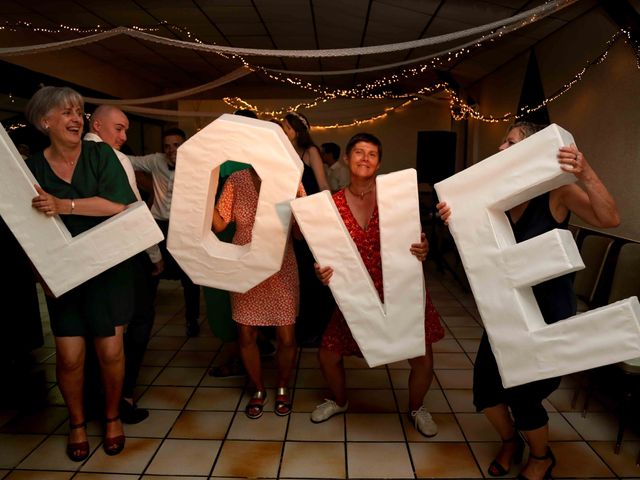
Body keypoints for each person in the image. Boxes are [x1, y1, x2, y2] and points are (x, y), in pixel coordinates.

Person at [437, 121, 620, 480]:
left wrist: (586, 172)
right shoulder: (491, 200)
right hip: (505, 312)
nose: (501, 147)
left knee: (524, 394)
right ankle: (510, 441)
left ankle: (541, 456)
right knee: (487, 393)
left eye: (510, 141)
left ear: (530, 152)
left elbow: (610, 218)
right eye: (502, 141)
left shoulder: (557, 193)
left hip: (549, 311)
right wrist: (454, 220)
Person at [25, 86, 135, 460]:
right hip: (64, 273)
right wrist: (40, 272)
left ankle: (112, 416)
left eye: (79, 112)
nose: (76, 119)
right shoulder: (32, 168)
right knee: (70, 356)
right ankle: (75, 422)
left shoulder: (100, 153)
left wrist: (63, 204)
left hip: (108, 268)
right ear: (45, 122)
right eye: (66, 112)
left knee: (110, 350)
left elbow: (117, 203)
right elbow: (23, 225)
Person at [311, 132, 445, 437]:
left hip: (400, 288)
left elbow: (415, 238)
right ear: (347, 158)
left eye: (372, 154)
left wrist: (423, 248)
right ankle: (340, 400)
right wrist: (321, 270)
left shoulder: (395, 199)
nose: (365, 158)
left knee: (422, 358)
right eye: (358, 152)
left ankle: (416, 408)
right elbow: (323, 249)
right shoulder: (331, 205)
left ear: (379, 162)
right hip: (356, 293)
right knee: (327, 355)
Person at [85, 105, 164, 424]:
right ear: (97, 124)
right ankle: (122, 397)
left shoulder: (74, 155)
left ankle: (94, 399)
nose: (124, 136)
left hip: (88, 256)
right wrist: (155, 255)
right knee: (138, 320)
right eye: (118, 128)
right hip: (122, 253)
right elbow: (134, 212)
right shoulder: (113, 158)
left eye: (126, 129)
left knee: (94, 326)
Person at [211, 163, 305, 418]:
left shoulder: (288, 176)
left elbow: (302, 230)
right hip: (244, 265)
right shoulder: (236, 180)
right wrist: (200, 192)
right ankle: (258, 388)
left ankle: (283, 386)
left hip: (280, 265)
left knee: (286, 336)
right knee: (246, 334)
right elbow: (219, 224)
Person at [129, 128, 202, 337]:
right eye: (167, 146)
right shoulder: (155, 161)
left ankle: (192, 320)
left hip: (183, 227)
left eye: (176, 145)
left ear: (184, 144)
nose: (171, 150)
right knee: (152, 272)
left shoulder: (195, 164)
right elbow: (129, 161)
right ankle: (144, 319)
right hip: (158, 226)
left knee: (189, 276)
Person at [282, 112, 334, 346]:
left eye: (286, 127)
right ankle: (299, 326)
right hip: (290, 219)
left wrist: (327, 215)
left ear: (297, 130)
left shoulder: (310, 151)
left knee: (314, 274)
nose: (283, 130)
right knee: (298, 274)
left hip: (312, 217)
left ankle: (318, 328)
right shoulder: (282, 153)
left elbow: (322, 185)